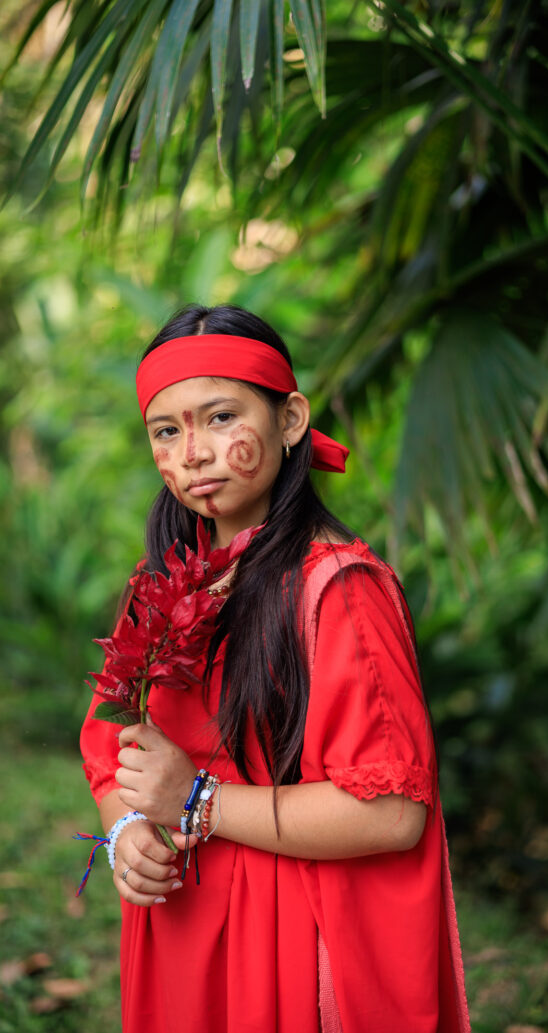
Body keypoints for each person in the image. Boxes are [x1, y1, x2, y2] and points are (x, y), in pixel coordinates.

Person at [79, 304, 471, 1033]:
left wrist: (198, 800)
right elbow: (110, 748)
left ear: (290, 419)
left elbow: (391, 811)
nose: (192, 451)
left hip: (292, 938)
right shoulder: (161, 585)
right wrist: (128, 828)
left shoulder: (339, 590)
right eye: (166, 430)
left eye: (221, 417)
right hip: (184, 928)